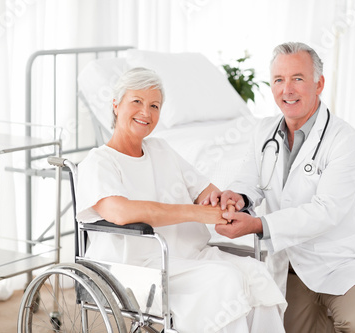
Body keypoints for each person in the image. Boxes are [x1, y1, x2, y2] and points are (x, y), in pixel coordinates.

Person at [75, 67, 286, 333]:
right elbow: (120, 212)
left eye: (154, 105)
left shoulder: (161, 149)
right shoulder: (100, 162)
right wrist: (196, 214)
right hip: (140, 269)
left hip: (188, 256)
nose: (146, 112)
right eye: (136, 102)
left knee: (257, 274)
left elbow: (206, 191)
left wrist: (225, 205)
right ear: (116, 105)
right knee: (226, 280)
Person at [203, 42, 355, 332]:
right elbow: (249, 181)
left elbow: (327, 211)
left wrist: (258, 224)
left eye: (297, 78)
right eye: (278, 80)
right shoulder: (263, 132)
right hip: (291, 264)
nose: (287, 90)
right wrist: (236, 197)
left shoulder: (344, 140)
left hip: (339, 261)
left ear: (318, 83)